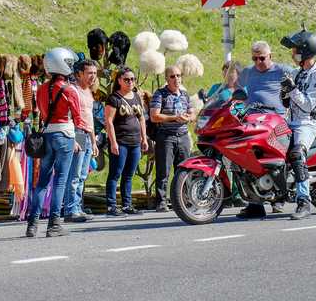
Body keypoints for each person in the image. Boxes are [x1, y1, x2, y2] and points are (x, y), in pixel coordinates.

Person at [26, 47, 86, 237]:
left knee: (42, 182)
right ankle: (54, 225)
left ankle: (32, 224)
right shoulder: (70, 90)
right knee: (60, 181)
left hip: (48, 135)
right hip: (65, 136)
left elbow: (43, 114)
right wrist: (80, 140)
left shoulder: (42, 88)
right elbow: (78, 119)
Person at [237, 41, 294, 218]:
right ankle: (255, 203)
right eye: (254, 58)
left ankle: (280, 198)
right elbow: (234, 90)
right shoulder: (247, 72)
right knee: (247, 158)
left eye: (262, 58)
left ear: (271, 56)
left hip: (276, 119)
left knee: (278, 156)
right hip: (252, 120)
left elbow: (298, 86)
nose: (258, 62)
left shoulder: (283, 71)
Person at [280, 29, 316, 220]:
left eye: (295, 50)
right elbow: (287, 102)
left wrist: (291, 89)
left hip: (307, 123)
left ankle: (304, 202)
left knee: (297, 153)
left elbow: (309, 105)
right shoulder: (296, 72)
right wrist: (284, 93)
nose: (292, 53)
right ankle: (259, 201)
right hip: (290, 120)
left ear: (305, 52)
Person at [150, 65, 196, 212]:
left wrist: (189, 116)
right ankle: (161, 202)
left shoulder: (184, 94)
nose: (176, 79)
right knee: (163, 171)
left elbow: (193, 112)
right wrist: (175, 117)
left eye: (178, 75)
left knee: (185, 170)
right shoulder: (160, 94)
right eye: (172, 76)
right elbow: (154, 116)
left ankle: (185, 200)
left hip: (183, 136)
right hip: (166, 137)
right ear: (166, 79)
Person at [104, 67, 149, 216]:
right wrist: (113, 142)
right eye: (127, 79)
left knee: (129, 175)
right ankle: (111, 206)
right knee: (115, 173)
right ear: (119, 81)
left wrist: (144, 138)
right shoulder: (114, 98)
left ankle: (127, 205)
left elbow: (141, 118)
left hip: (135, 142)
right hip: (120, 141)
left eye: (132, 79)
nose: (130, 82)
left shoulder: (136, 96)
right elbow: (108, 122)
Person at [63, 59, 99, 222]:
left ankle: (77, 207)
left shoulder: (88, 92)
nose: (93, 76)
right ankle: (71, 210)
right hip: (77, 133)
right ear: (79, 74)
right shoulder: (73, 90)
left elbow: (89, 118)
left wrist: (93, 141)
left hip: (87, 133)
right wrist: (74, 139)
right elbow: (69, 116)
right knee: (74, 174)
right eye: (90, 73)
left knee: (83, 174)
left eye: (95, 73)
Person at [207, 61, 245, 206]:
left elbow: (244, 109)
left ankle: (238, 194)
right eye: (224, 71)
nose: (226, 74)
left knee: (236, 163)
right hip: (218, 130)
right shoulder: (216, 88)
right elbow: (209, 104)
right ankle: (224, 194)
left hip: (235, 131)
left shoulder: (242, 90)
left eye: (230, 72)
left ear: (238, 74)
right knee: (217, 163)